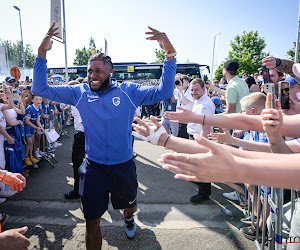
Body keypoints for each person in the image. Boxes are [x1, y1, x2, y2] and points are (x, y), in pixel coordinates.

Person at [32, 23, 176, 249]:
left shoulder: (128, 91)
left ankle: (128, 217)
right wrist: (42, 54)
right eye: (90, 71)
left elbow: (164, 92)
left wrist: (170, 55)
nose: (92, 75)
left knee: (130, 207)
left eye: (98, 71)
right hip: (94, 168)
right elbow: (40, 89)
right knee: (91, 224)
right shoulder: (79, 92)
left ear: (111, 72)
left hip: (123, 166)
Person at [186, 78, 215, 204]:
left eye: (196, 90)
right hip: (195, 136)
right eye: (192, 90)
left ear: (204, 89)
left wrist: (202, 145)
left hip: (200, 138)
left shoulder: (205, 104)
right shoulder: (199, 100)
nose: (193, 92)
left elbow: (206, 126)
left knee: (202, 166)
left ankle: (204, 194)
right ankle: (199, 181)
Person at [65, 81, 84, 200]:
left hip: (84, 135)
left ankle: (78, 190)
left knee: (77, 163)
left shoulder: (78, 102)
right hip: (85, 135)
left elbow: (84, 122)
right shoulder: (78, 101)